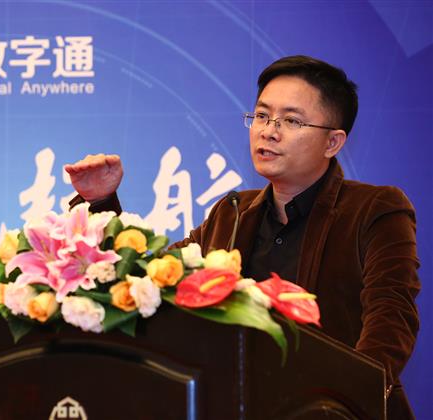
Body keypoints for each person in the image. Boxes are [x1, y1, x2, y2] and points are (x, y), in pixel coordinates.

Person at [64, 55, 420, 419]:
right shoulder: (232, 213)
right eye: (262, 115)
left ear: (332, 142)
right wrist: (101, 203)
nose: (269, 131)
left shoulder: (374, 209)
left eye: (291, 121)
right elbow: (152, 280)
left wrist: (348, 399)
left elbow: (392, 316)